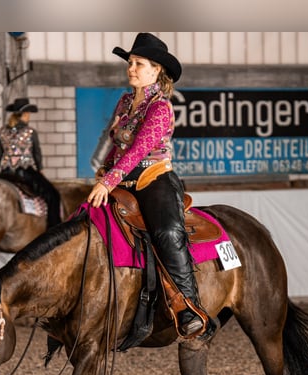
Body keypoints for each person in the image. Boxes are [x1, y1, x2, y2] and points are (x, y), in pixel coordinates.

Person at [86, 33, 216, 339]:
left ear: (156, 70)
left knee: (168, 232)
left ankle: (188, 305)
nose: (131, 68)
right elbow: (115, 144)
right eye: (130, 62)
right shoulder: (125, 101)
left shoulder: (161, 108)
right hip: (121, 178)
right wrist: (104, 169)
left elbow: (138, 149)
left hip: (154, 178)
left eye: (138, 63)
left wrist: (109, 180)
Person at [0, 97, 62, 228]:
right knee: (53, 195)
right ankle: (54, 229)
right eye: (28, 114)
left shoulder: (2, 132)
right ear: (24, 114)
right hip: (24, 173)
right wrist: (40, 170)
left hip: (5, 173)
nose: (29, 116)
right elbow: (37, 153)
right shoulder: (30, 132)